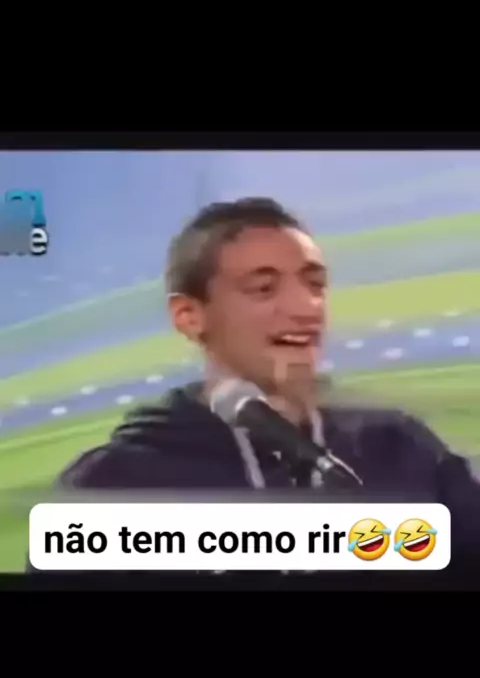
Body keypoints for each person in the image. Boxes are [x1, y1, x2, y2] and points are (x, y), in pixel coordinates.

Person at [28, 197, 480, 585]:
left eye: (314, 285)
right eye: (264, 288)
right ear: (189, 316)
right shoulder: (116, 486)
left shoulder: (399, 448)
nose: (305, 307)